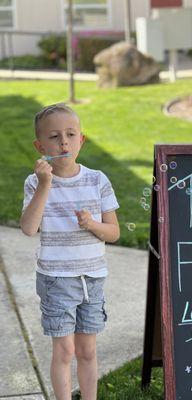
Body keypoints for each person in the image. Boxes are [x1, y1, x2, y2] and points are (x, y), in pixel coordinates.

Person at [20, 103, 120, 400]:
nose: (63, 142)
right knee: (65, 350)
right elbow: (28, 227)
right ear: (40, 146)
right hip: (56, 279)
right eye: (54, 136)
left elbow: (114, 233)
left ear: (81, 140)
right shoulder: (35, 182)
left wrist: (92, 225)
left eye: (70, 134)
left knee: (87, 349)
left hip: (92, 278)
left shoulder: (97, 180)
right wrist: (45, 184)